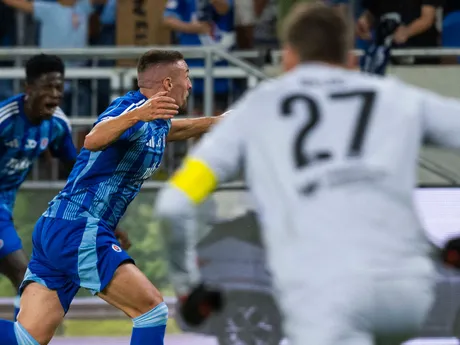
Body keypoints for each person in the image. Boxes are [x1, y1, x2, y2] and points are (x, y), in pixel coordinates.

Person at [154, 3, 460, 344]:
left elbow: (174, 204)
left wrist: (187, 287)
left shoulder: (257, 108)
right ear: (351, 60)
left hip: (324, 295)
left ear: (288, 58)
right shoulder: (396, 97)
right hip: (407, 294)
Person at [0, 49, 223, 345]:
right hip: (77, 227)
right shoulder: (130, 107)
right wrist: (137, 114)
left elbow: (177, 130)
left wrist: (219, 121)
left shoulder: (156, 121)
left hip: (62, 226)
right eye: (188, 77)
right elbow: (94, 138)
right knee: (151, 311)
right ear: (168, 84)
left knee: (24, 339)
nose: (191, 85)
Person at [0, 54, 77, 321]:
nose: (55, 95)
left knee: (25, 279)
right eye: (48, 87)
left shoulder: (57, 125)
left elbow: (76, 172)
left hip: (3, 210)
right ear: (28, 88)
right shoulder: (4, 120)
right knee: (24, 276)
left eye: (59, 88)